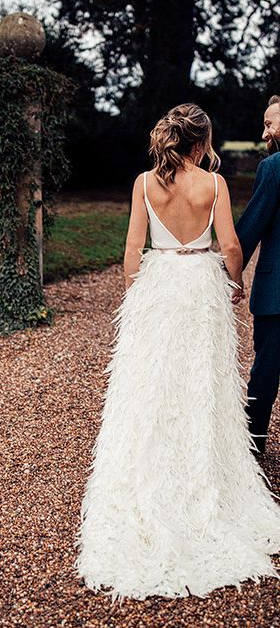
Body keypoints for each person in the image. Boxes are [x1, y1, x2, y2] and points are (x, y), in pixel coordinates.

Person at [74, 103, 280, 602]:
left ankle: (150, 476)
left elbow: (131, 248)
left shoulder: (145, 183)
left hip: (159, 285)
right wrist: (233, 283)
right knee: (202, 383)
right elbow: (230, 245)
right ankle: (201, 479)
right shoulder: (214, 185)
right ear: (202, 142)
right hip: (199, 287)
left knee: (152, 384)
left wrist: (135, 296)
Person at [234, 95, 280, 457]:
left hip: (275, 292)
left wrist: (227, 270)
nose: (264, 131)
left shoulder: (272, 167)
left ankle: (254, 443)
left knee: (265, 370)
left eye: (269, 123)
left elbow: (251, 227)